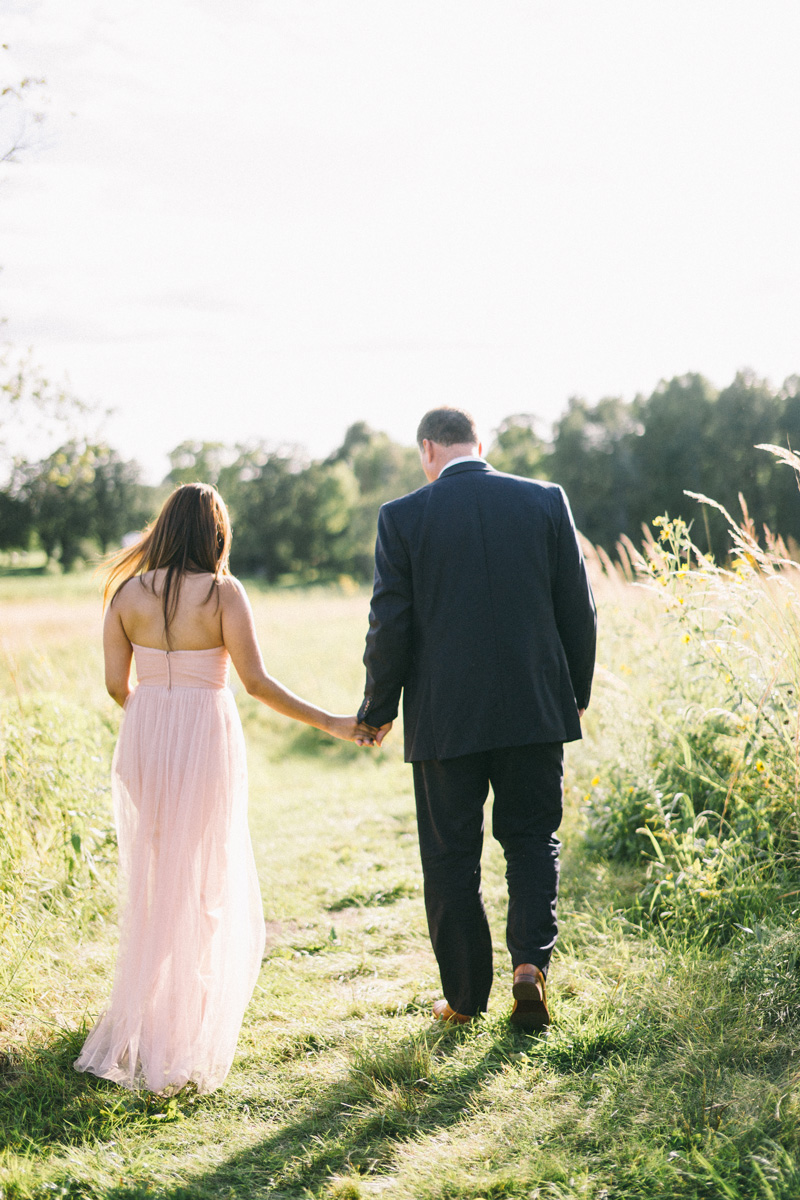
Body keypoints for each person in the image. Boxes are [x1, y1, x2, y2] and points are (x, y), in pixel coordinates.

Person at [75, 482, 374, 1094]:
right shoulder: (220, 593)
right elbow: (258, 684)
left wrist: (151, 715)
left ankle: (145, 1012)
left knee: (159, 871)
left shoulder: (126, 593)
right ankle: (182, 1021)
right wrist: (336, 724)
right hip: (204, 735)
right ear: (215, 532)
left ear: (163, 528)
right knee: (204, 871)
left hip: (145, 734)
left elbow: (114, 683)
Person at [357, 407, 596, 1029]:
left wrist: (377, 710)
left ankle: (464, 999)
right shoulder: (545, 501)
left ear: (429, 450)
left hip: (445, 720)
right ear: (479, 445)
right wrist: (574, 693)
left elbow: (390, 624)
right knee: (532, 839)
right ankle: (529, 968)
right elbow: (579, 606)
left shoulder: (402, 517)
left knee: (450, 855)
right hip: (534, 709)